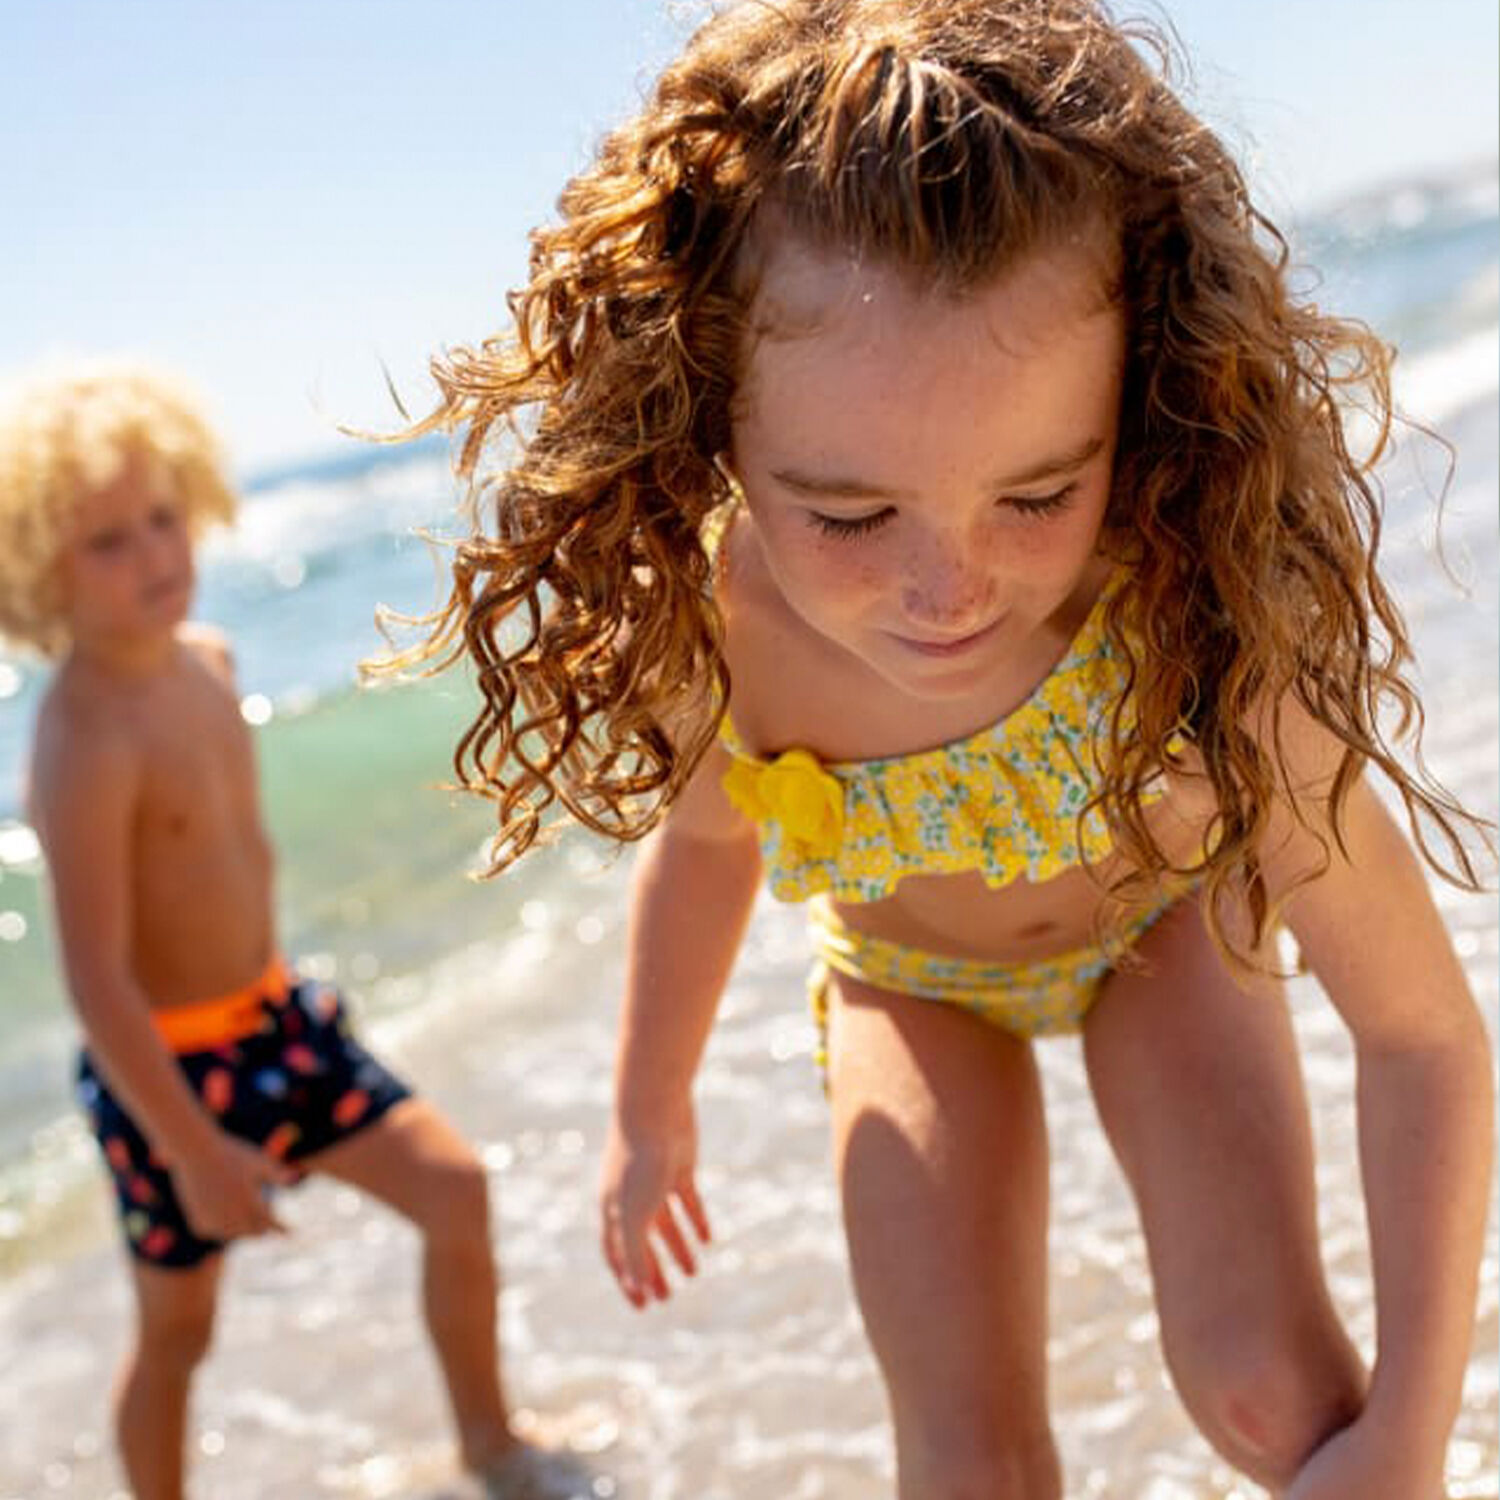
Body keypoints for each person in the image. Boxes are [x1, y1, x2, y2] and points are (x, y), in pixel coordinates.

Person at [382, 2, 1494, 1494]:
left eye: (1038, 494)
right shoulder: (727, 622)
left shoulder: (1199, 618)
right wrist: (650, 1107)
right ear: (704, 417)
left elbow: (1422, 1037)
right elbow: (706, 843)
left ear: (1144, 394)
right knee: (965, 1459)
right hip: (914, 987)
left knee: (1271, 1397)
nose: (947, 586)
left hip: (1161, 933)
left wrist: (1409, 1443)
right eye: (848, 516)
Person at [0, 364, 579, 1500]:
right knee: (179, 1336)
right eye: (106, 543)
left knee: (455, 1191)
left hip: (278, 1019)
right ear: (35, 574)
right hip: (171, 1077)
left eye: (162, 518)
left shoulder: (211, 661)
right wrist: (192, 1151)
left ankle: (490, 1445)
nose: (155, 557)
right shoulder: (80, 742)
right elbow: (99, 983)